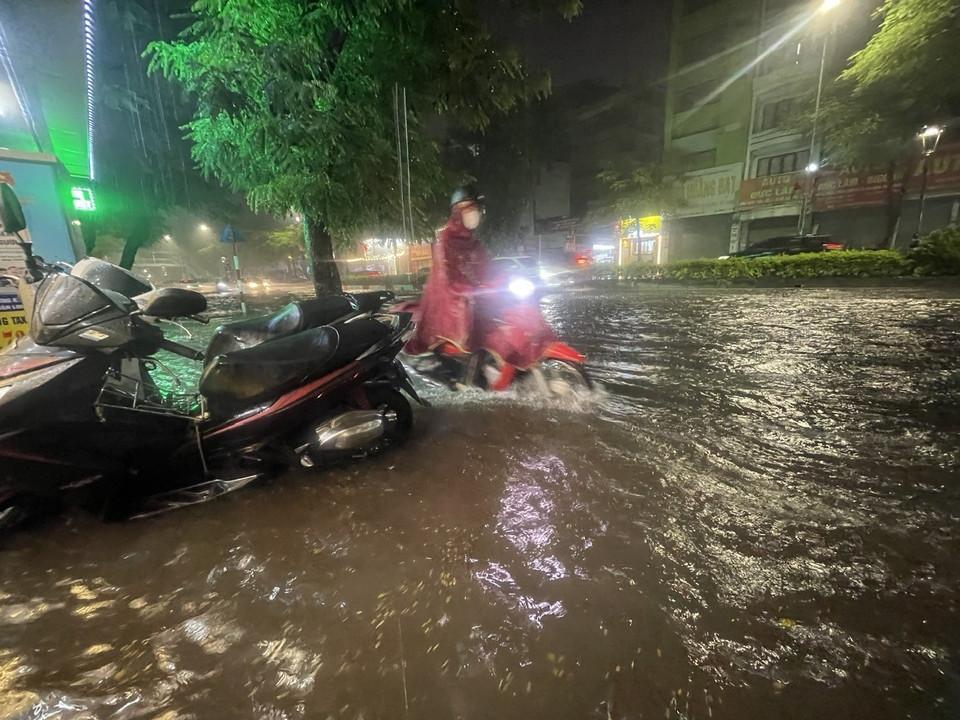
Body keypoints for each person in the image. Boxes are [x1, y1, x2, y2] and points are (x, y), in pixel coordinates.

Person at [405, 186, 490, 355]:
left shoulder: (476, 243)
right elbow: (445, 276)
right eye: (470, 210)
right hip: (453, 302)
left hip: (479, 298)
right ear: (458, 212)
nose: (475, 215)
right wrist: (467, 290)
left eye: (477, 210)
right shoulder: (445, 240)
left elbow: (488, 268)